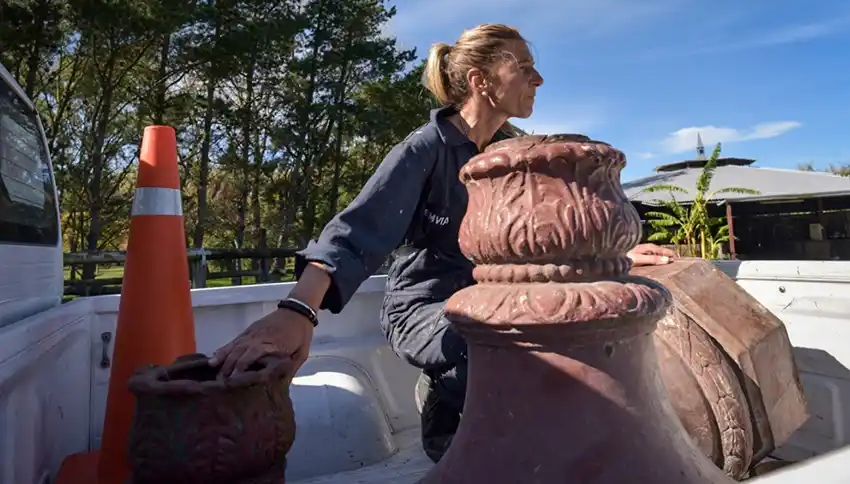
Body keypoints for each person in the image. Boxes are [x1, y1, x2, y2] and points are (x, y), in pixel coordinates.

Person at [210, 23, 675, 462]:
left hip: (495, 300)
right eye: (524, 66)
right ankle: (447, 406)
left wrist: (618, 254)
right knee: (498, 350)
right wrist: (298, 311)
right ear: (481, 80)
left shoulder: (512, 154)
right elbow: (356, 231)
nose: (539, 78)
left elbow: (545, 228)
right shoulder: (425, 148)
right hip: (425, 308)